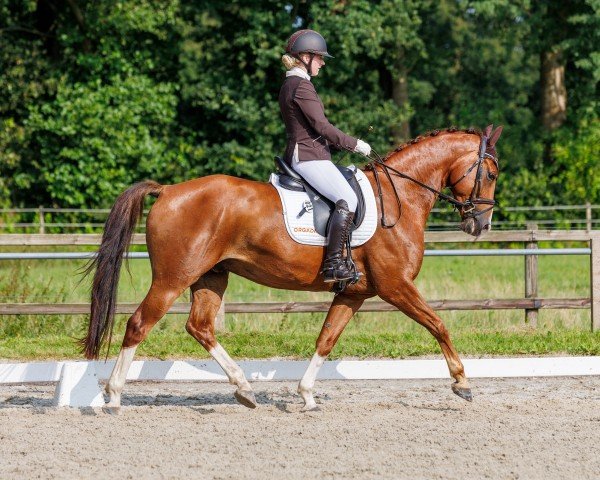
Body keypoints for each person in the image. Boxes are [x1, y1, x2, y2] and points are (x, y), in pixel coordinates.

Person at [279, 29, 372, 283]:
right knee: (348, 199)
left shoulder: (291, 84)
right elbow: (322, 127)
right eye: (320, 58)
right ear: (306, 57)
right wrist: (355, 145)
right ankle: (333, 265)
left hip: (308, 153)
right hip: (309, 157)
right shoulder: (301, 86)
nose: (322, 63)